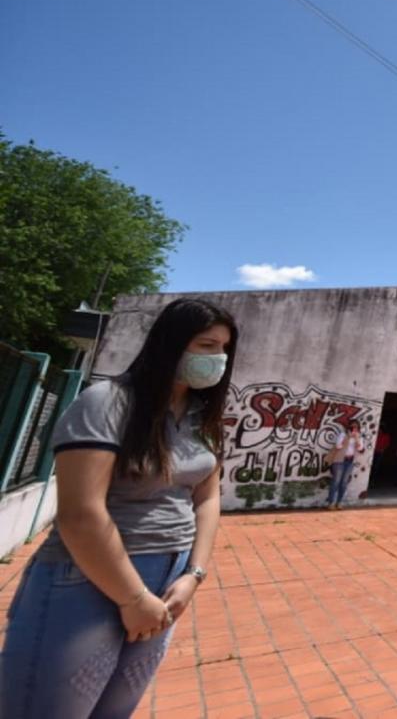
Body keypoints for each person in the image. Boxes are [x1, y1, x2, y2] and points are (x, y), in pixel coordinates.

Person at [0, 299, 234, 717]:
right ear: (171, 344)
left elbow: (207, 495)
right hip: (90, 577)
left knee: (114, 707)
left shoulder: (203, 417)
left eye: (223, 349)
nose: (216, 359)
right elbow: (81, 512)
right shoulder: (107, 403)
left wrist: (194, 574)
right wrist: (132, 598)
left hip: (170, 576)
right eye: (205, 345)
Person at [325, 421, 366, 509]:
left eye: (356, 427)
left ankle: (339, 502)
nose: (354, 428)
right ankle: (331, 503)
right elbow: (338, 446)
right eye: (352, 426)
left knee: (344, 483)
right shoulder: (343, 435)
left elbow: (360, 448)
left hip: (350, 461)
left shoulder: (359, 437)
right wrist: (348, 437)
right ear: (349, 427)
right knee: (336, 481)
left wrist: (357, 439)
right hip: (339, 460)